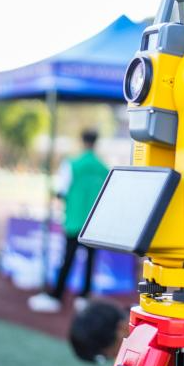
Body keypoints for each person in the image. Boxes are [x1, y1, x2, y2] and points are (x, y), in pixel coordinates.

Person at [29, 129, 109, 314]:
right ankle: (84, 297)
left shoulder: (72, 164)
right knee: (90, 261)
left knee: (68, 259)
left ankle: (57, 296)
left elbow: (61, 191)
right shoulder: (103, 168)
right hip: (93, 224)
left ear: (82, 141)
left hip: (74, 221)